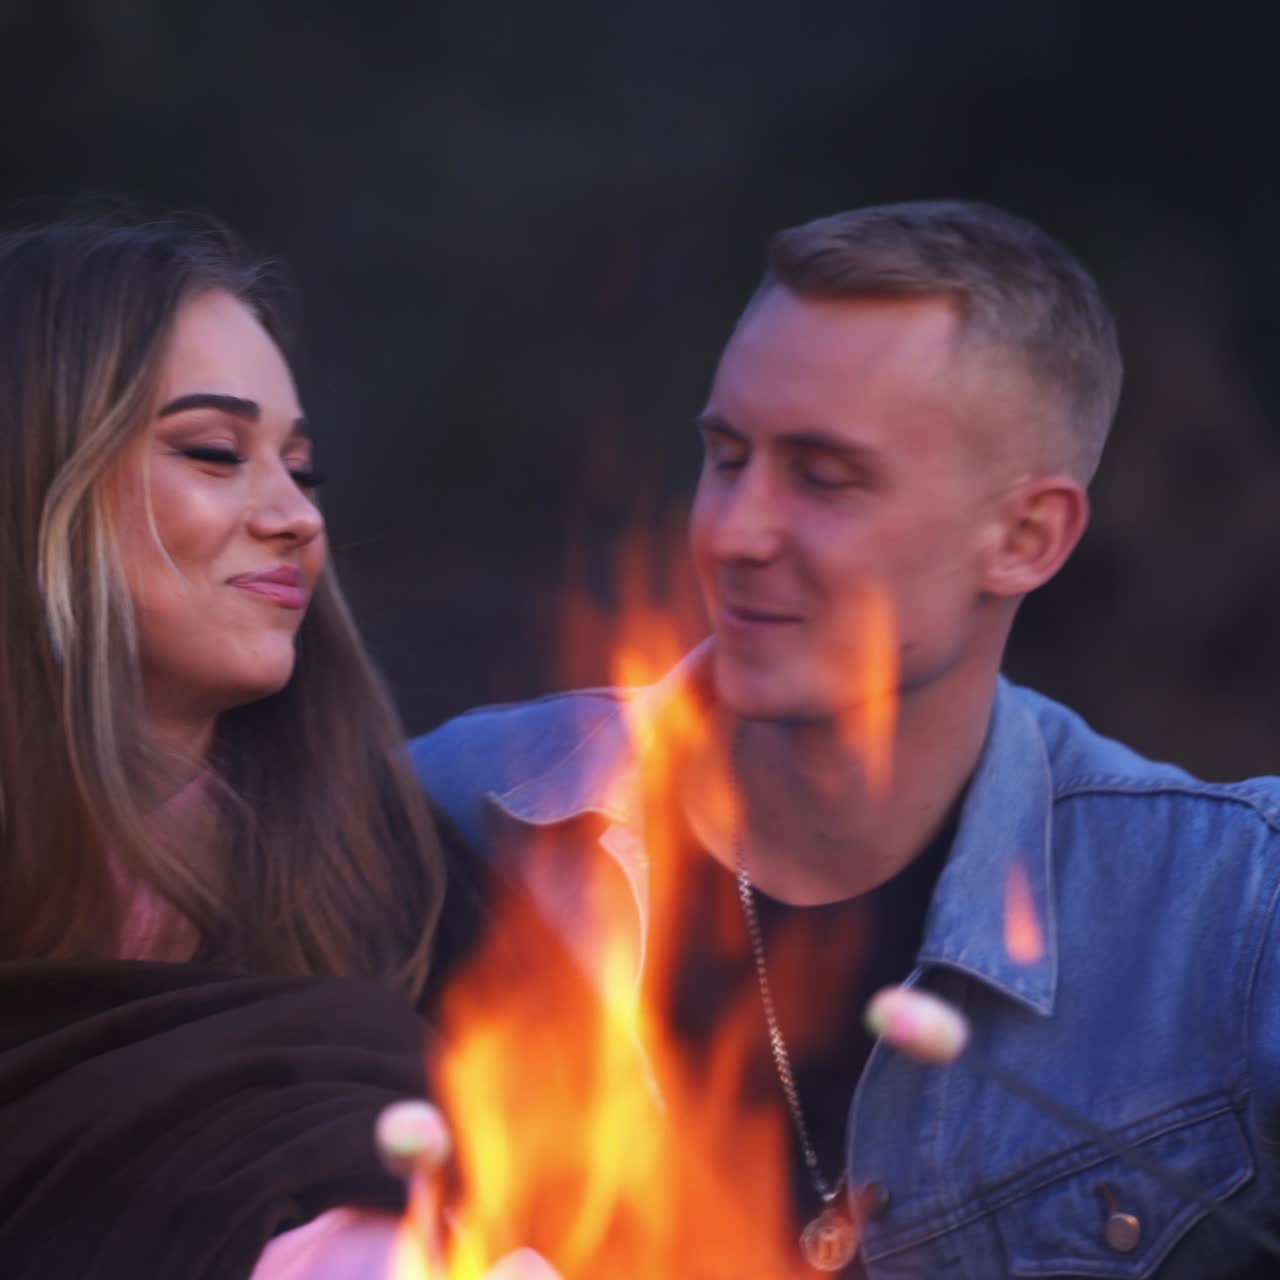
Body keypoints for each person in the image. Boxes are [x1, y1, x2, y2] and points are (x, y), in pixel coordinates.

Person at [413, 200, 1280, 1277]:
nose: (733, 533)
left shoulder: (1229, 913)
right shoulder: (457, 819)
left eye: (823, 479)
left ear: (1024, 537)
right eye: (726, 459)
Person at [0, 215, 542, 1280]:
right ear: (34, 481)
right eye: (214, 452)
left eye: (301, 469)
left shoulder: (414, 890)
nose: (295, 515)